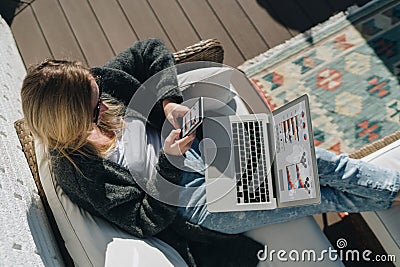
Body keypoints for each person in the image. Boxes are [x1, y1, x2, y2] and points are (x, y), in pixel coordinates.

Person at [21, 38, 400, 267]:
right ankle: (392, 192)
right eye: (93, 106)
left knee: (304, 158)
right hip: (193, 203)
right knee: (303, 188)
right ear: (68, 121)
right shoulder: (78, 174)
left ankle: (392, 189)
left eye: (98, 92)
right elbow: (144, 220)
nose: (103, 103)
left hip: (205, 147)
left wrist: (168, 103)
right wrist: (170, 162)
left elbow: (150, 48)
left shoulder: (100, 88)